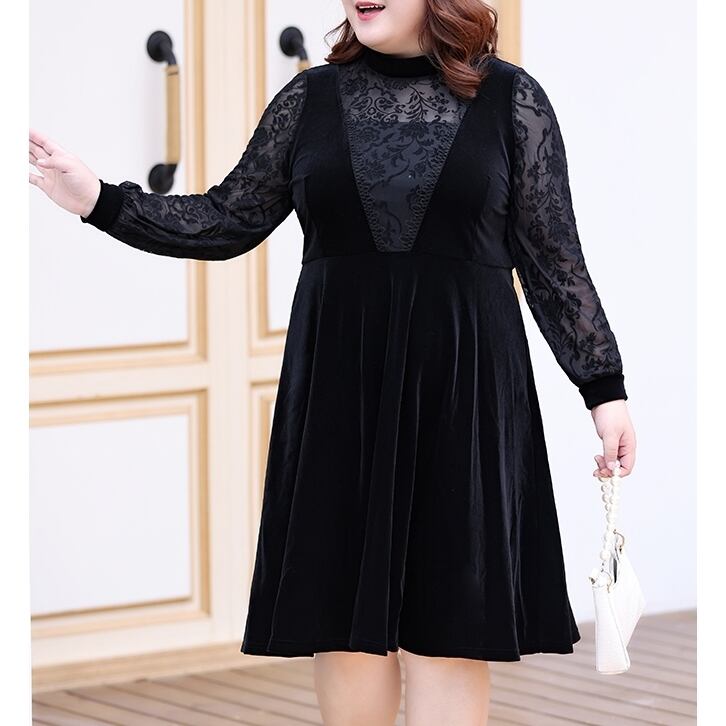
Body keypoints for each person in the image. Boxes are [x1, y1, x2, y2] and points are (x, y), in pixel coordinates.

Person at [29, 0, 637, 723]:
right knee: (346, 629)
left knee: (451, 630)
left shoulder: (512, 99)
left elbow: (554, 260)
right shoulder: (309, 99)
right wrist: (98, 200)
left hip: (464, 391)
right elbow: (226, 218)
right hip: (340, 391)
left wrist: (604, 389)